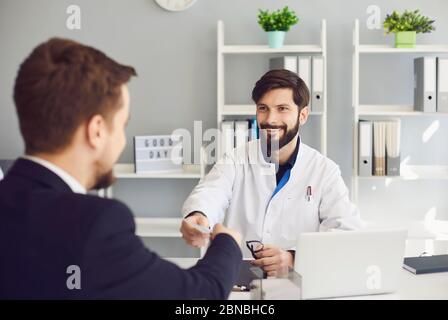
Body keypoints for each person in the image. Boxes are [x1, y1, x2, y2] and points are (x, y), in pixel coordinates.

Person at [0, 38, 242, 299]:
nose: (123, 140)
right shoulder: (93, 224)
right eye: (123, 125)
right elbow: (200, 297)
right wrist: (227, 243)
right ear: (97, 131)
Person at [180, 69, 363, 276]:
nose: (270, 119)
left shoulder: (324, 171)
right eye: (263, 108)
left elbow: (346, 232)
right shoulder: (235, 159)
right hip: (241, 278)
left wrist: (294, 257)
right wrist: (199, 215)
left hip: (300, 279)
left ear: (302, 115)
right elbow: (211, 192)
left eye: (282, 108)